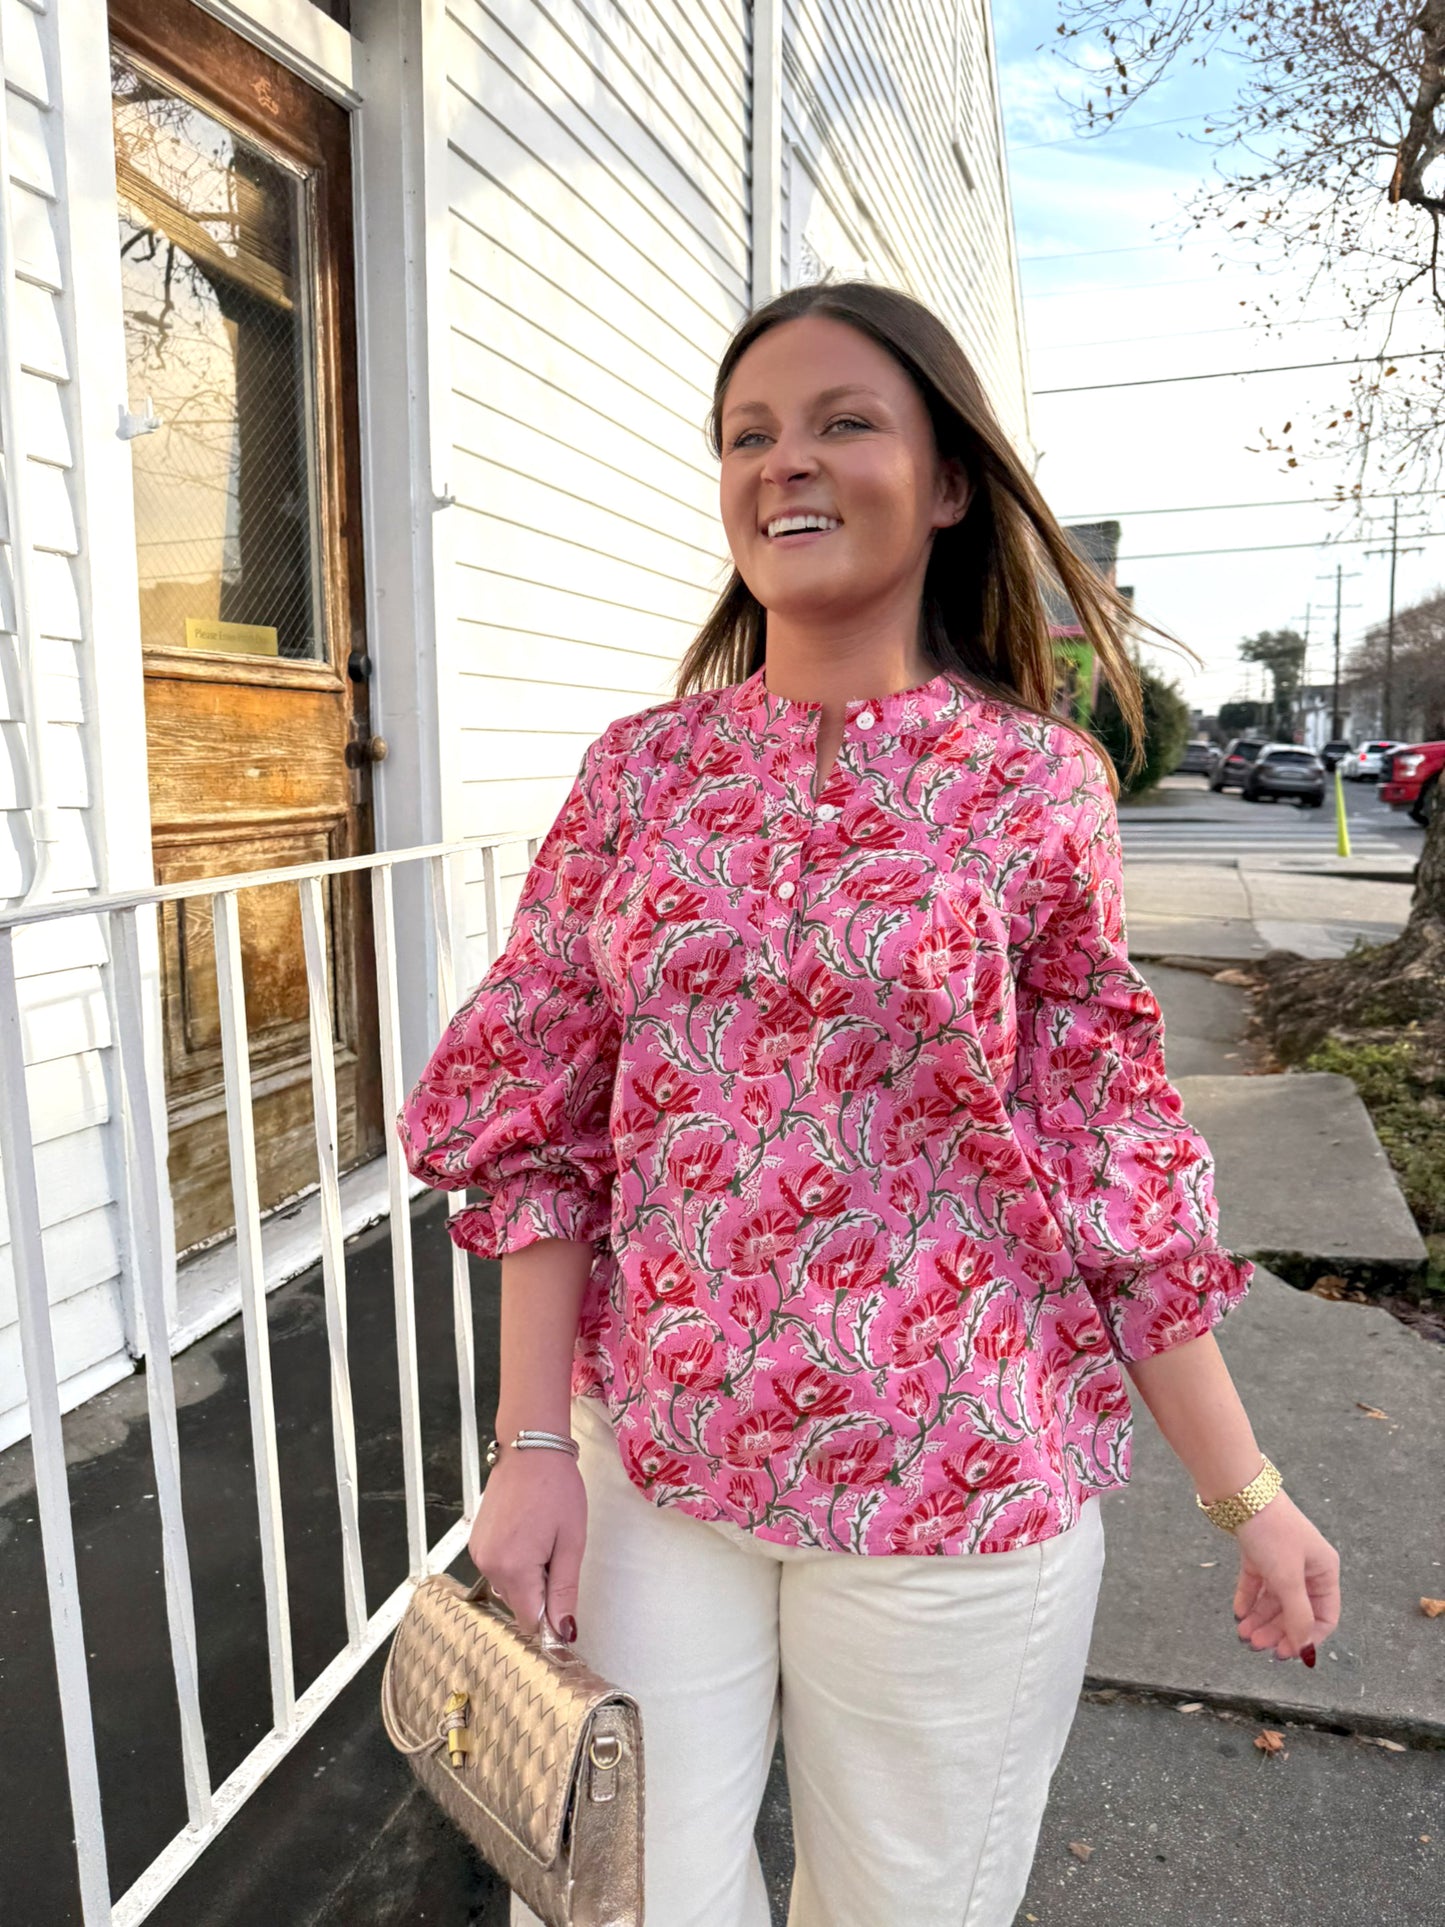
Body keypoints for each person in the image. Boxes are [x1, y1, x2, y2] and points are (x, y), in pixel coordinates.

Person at [400, 281, 1342, 1927]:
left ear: (950, 479)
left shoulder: (1038, 786)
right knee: (622, 1904)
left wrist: (1246, 1494)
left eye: (843, 421)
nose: (786, 463)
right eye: (748, 435)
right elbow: (532, 1116)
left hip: (957, 1487)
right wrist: (531, 1444)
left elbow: (1107, 1156)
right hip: (661, 1468)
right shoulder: (639, 774)